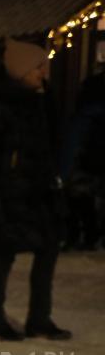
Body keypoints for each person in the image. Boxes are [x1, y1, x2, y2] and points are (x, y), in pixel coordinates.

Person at [0, 39, 70, 341]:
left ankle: (39, 318)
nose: (44, 73)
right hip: (10, 194)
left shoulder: (40, 101)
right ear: (21, 70)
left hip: (39, 193)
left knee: (48, 250)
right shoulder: (1, 106)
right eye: (38, 67)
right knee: (4, 254)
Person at [60, 70, 105, 252]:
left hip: (87, 161)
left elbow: (73, 142)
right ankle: (91, 235)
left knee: (79, 198)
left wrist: (63, 172)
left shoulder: (84, 116)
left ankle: (82, 234)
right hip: (93, 161)